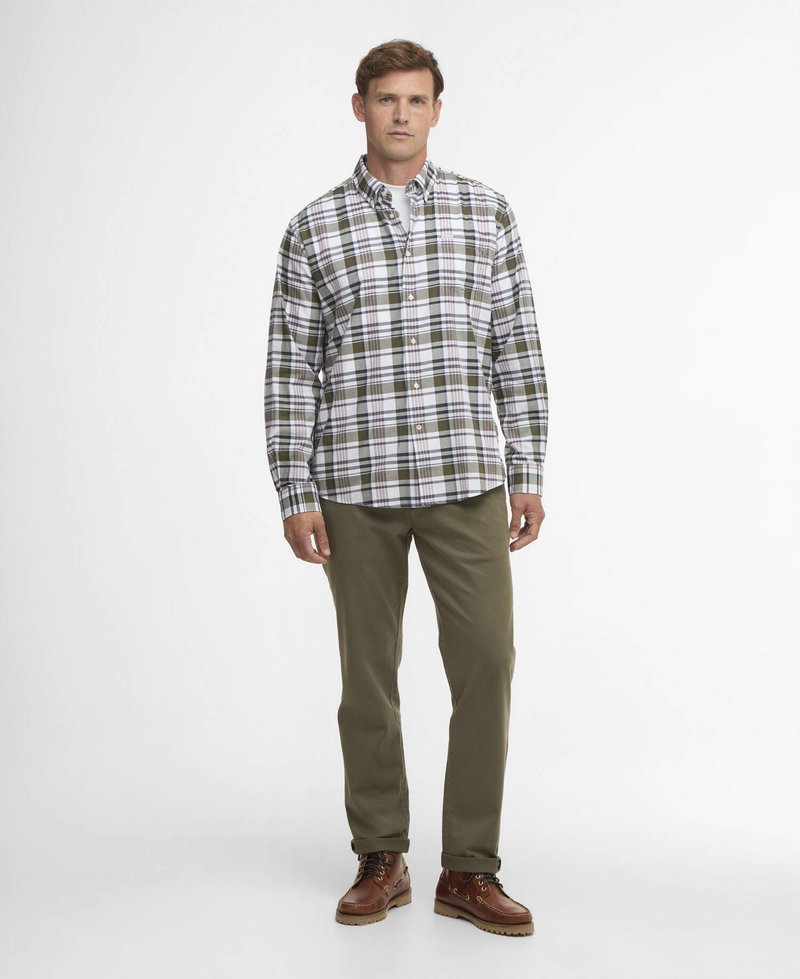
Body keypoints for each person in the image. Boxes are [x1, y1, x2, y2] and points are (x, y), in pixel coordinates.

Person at [264, 38, 548, 937]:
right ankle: (381, 856)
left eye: (415, 100)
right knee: (367, 677)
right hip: (355, 481)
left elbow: (516, 347)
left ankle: (469, 866)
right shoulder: (313, 228)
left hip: (466, 476)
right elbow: (290, 369)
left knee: (488, 662)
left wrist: (528, 468)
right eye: (385, 98)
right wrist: (295, 490)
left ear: (435, 110)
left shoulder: (485, 212)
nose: (400, 114)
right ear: (360, 107)